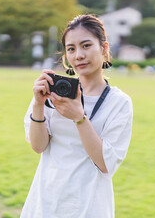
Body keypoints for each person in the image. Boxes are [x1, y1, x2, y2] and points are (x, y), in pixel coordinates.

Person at [21, 14, 133, 218]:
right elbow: (38, 147)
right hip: (45, 203)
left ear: (104, 48)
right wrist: (38, 104)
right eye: (71, 49)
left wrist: (79, 118)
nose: (78, 55)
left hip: (89, 207)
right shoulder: (54, 92)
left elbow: (105, 163)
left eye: (86, 45)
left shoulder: (118, 102)